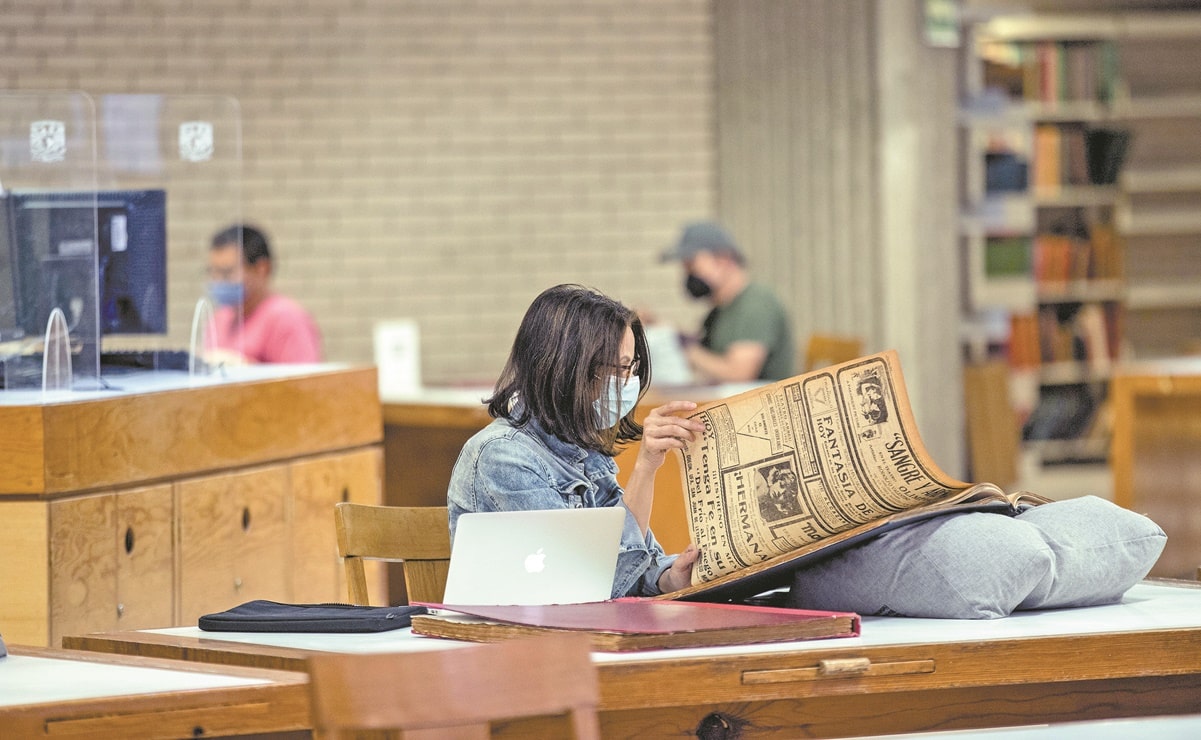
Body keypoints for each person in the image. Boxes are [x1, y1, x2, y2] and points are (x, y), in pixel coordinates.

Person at [446, 284, 705, 598]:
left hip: (579, 629)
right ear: (570, 368)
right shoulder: (503, 455)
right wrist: (644, 467)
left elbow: (629, 563)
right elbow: (584, 577)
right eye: (621, 368)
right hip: (518, 638)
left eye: (632, 367)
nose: (629, 381)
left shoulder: (582, 447)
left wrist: (668, 578)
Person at [660, 221, 794, 383]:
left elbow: (739, 374)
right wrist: (669, 333)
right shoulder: (720, 311)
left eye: (692, 267)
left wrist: (684, 348)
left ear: (723, 259)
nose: (689, 276)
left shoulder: (756, 305)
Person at [206, 224, 323, 364]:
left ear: (262, 269)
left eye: (227, 272)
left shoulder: (286, 318)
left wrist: (251, 370)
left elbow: (303, 383)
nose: (218, 281)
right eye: (213, 272)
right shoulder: (221, 318)